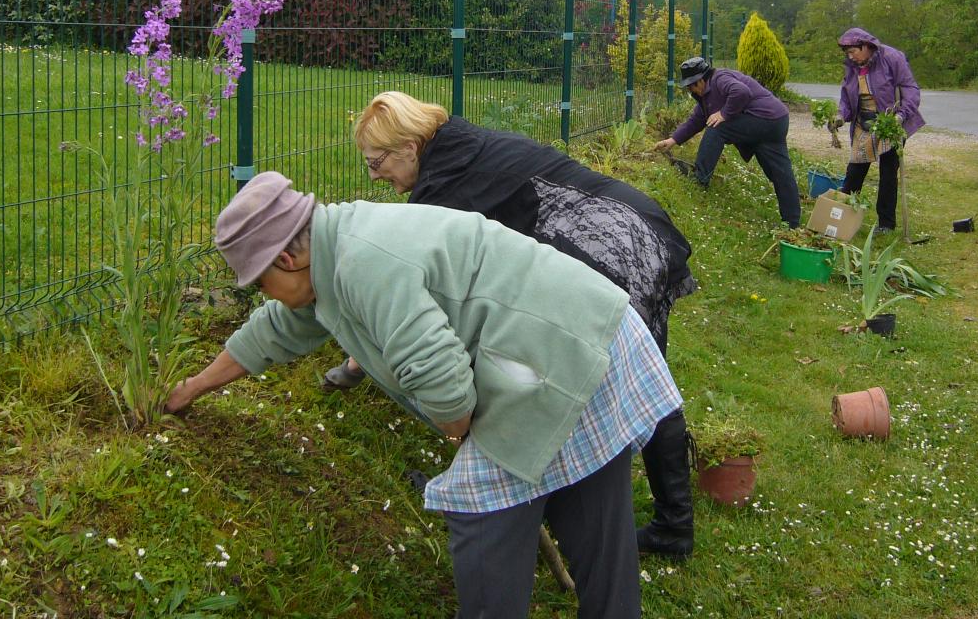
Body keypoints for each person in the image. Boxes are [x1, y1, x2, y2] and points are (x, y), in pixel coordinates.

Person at [166, 171, 681, 619]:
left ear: (285, 257)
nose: (264, 294)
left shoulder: (362, 262)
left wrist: (458, 429)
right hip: (590, 332)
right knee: (591, 513)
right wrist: (193, 387)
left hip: (557, 358)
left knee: (482, 515)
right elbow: (276, 329)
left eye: (259, 283)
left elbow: (441, 378)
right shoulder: (334, 246)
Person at [341, 91, 701, 559]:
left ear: (408, 147)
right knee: (645, 375)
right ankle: (669, 523)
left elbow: (413, 300)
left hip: (608, 243)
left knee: (583, 373)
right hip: (634, 220)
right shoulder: (457, 141)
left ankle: (531, 494)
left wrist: (359, 357)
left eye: (376, 163)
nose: (375, 177)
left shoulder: (441, 185)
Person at [653, 56, 802, 228]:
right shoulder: (705, 96)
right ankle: (792, 224)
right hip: (777, 121)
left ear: (700, 80)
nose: (691, 91)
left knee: (717, 127)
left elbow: (742, 92)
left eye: (691, 86)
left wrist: (724, 114)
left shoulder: (720, 79)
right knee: (780, 173)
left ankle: (700, 178)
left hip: (765, 120)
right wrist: (672, 140)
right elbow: (696, 120)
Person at [835, 28, 924, 232]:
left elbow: (910, 89)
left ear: (865, 46)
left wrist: (900, 116)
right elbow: (847, 94)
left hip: (889, 121)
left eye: (853, 52)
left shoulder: (892, 58)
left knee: (888, 172)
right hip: (863, 121)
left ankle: (886, 224)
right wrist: (841, 115)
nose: (850, 57)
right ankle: (842, 216)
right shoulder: (852, 65)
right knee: (855, 171)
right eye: (847, 53)